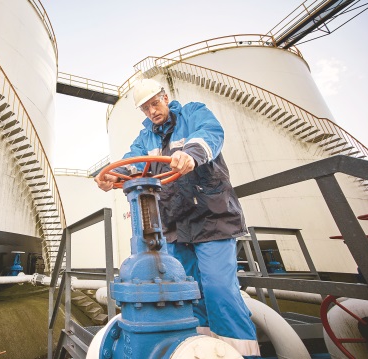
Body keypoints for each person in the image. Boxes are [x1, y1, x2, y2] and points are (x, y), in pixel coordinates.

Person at [95, 79, 260, 357]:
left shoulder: (192, 113)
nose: (152, 112)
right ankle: (205, 351)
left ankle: (243, 354)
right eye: (145, 109)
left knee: (220, 290)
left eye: (155, 104)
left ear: (165, 97)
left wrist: (191, 154)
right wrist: (114, 176)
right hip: (174, 225)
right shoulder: (145, 138)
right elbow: (132, 161)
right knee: (188, 294)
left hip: (212, 218)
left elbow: (210, 133)